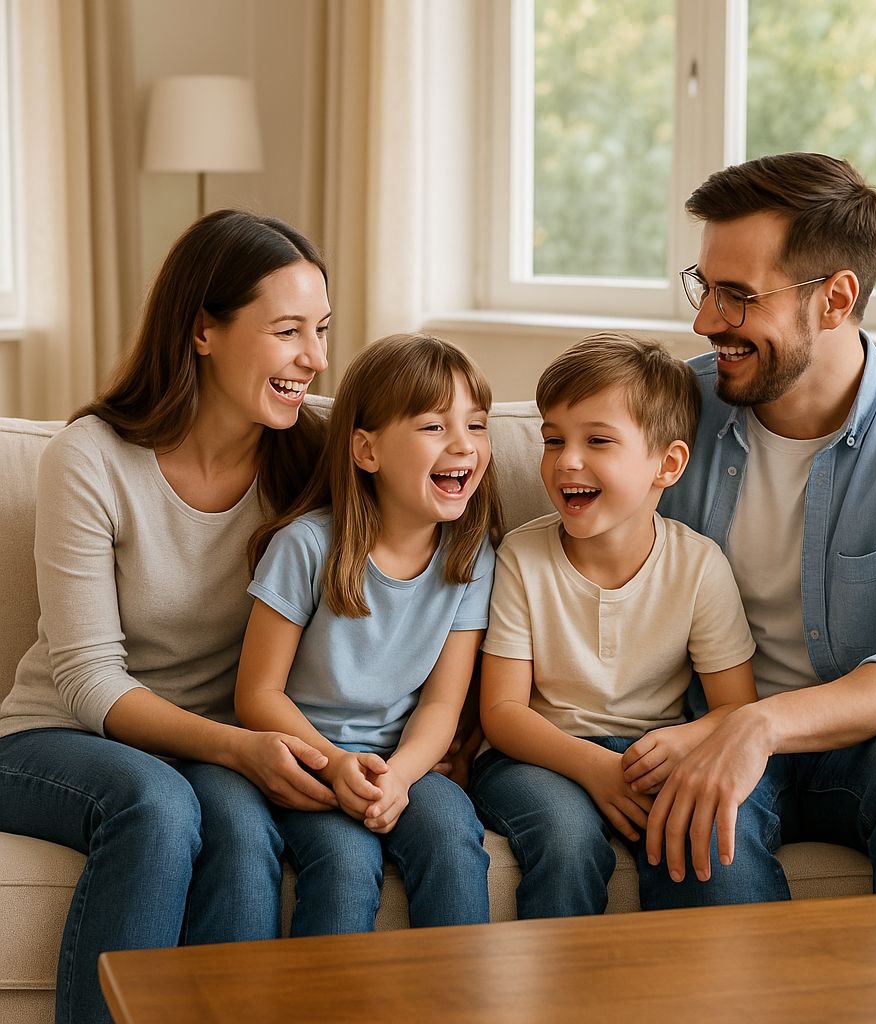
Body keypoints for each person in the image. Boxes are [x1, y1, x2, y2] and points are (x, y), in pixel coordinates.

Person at [646, 151, 876, 901]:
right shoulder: (673, 411)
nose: (704, 320)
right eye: (703, 286)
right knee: (695, 819)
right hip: (709, 727)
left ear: (835, 299)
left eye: (737, 296)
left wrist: (762, 724)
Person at [0, 210, 339, 1024]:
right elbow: (89, 680)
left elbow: (428, 561)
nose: (316, 358)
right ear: (202, 331)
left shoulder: (318, 458)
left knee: (242, 832)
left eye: (322, 330)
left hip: (215, 747)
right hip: (60, 737)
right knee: (156, 806)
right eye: (288, 331)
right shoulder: (90, 458)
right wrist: (239, 746)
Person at [471, 332, 757, 918]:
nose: (566, 461)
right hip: (535, 758)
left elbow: (735, 708)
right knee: (567, 840)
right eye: (554, 439)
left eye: (597, 440)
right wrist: (594, 767)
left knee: (692, 836)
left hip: (650, 755)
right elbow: (501, 712)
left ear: (667, 465)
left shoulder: (699, 566)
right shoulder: (522, 557)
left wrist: (680, 744)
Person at [234, 333, 503, 933]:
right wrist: (335, 765)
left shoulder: (472, 557)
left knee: (453, 839)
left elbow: (442, 705)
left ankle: (458, 988)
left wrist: (400, 777)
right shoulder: (305, 547)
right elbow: (256, 695)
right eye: (434, 426)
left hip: (404, 762)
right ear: (367, 450)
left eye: (477, 425)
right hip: (309, 758)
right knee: (345, 863)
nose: (464, 444)